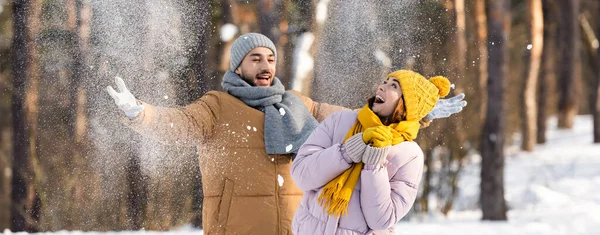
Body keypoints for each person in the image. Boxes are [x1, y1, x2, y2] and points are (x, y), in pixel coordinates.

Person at [106, 33, 466, 235]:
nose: (265, 66)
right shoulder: (216, 106)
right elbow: (180, 125)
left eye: (270, 59)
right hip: (237, 229)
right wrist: (140, 113)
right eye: (256, 59)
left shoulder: (295, 103)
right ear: (239, 65)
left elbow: (361, 119)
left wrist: (419, 110)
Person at [291, 69, 450, 234]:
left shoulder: (410, 156)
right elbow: (301, 175)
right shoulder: (340, 121)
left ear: (407, 105)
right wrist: (347, 152)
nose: (381, 87)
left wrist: (374, 164)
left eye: (393, 86)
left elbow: (381, 220)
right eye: (385, 82)